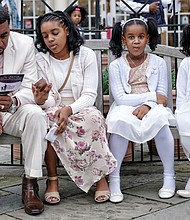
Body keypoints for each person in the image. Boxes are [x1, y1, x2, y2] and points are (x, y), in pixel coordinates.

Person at [34, 10, 117, 204]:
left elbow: (89, 94)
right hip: (53, 107)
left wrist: (69, 109)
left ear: (67, 30)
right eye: (45, 36)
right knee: (46, 120)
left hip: (80, 106)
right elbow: (44, 100)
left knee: (94, 119)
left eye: (55, 33)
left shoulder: (84, 55)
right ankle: (52, 181)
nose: (50, 40)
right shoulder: (41, 59)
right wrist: (40, 99)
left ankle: (100, 178)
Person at [106, 17, 176, 203]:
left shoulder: (158, 63)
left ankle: (169, 177)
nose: (136, 41)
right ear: (123, 40)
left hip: (152, 108)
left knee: (161, 120)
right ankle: (114, 179)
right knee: (118, 122)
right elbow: (121, 99)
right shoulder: (116, 66)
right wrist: (151, 97)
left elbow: (162, 96)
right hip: (125, 107)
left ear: (147, 38)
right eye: (131, 37)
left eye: (141, 37)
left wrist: (148, 105)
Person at [0, 6, 48, 215]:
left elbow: (30, 87)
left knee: (36, 115)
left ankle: (31, 183)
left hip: (12, 107)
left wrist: (12, 103)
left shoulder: (25, 44)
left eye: (4, 35)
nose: (0, 43)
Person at [175, 24, 190, 198]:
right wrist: (180, 113)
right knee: (187, 124)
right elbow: (182, 94)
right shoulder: (187, 63)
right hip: (188, 108)